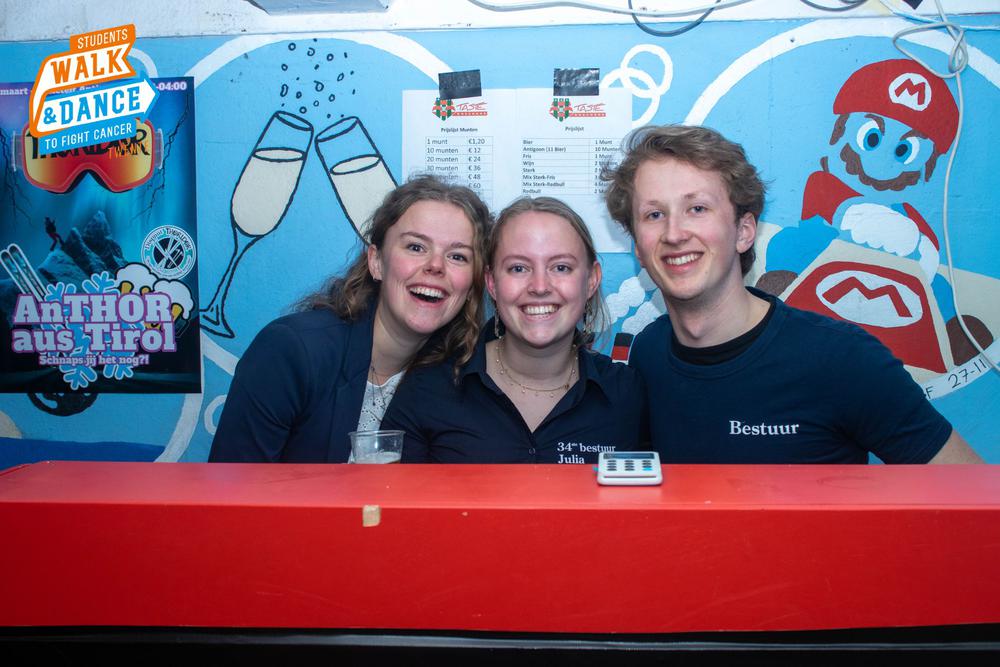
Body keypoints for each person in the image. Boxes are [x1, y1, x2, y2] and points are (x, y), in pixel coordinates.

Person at [601, 124, 982, 464]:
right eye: (654, 215)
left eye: (697, 208)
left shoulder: (841, 358)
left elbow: (970, 494)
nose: (674, 233)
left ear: (744, 232)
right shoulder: (648, 353)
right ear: (638, 247)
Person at [209, 175, 491, 462]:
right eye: (416, 247)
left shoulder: (459, 378)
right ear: (376, 262)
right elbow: (233, 485)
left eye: (457, 256)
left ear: (473, 285)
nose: (435, 265)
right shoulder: (291, 352)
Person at [382, 197, 647, 464]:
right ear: (492, 283)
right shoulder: (429, 388)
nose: (540, 286)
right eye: (518, 268)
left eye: (561, 267)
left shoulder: (626, 394)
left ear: (591, 280)